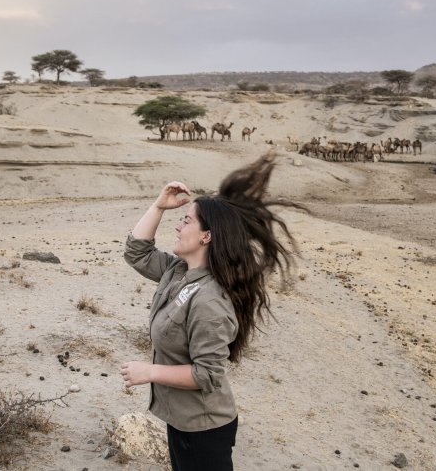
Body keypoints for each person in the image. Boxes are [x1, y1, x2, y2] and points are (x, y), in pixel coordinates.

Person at [121, 151, 302, 471]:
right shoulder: (178, 271)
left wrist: (149, 372)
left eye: (186, 220)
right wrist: (159, 206)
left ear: (207, 235)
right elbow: (137, 252)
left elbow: (207, 374)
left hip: (204, 429)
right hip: (182, 421)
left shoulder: (210, 300)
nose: (178, 227)